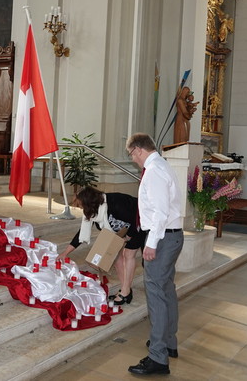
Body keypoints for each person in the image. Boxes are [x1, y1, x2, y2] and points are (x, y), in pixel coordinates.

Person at [125, 132, 183, 376]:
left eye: (131, 155)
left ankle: (158, 357)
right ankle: (168, 342)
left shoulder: (154, 171)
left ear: (138, 150)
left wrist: (151, 243)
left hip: (162, 237)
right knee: (166, 288)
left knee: (156, 294)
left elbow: (159, 212)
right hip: (170, 235)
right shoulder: (161, 166)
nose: (133, 159)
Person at [57, 186, 145, 306]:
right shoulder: (92, 211)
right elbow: (80, 235)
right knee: (117, 257)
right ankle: (126, 291)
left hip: (138, 222)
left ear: (89, 202)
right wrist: (65, 253)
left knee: (128, 254)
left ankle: (125, 292)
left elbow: (134, 219)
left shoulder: (115, 203)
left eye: (81, 205)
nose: (80, 208)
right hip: (121, 231)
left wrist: (127, 237)